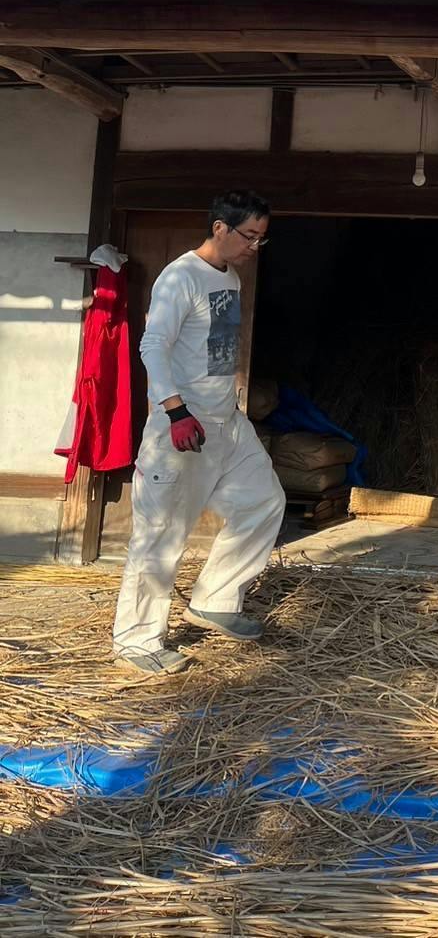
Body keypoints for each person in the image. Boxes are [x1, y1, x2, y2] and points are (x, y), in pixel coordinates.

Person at [112, 191, 286, 675]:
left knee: (264, 502)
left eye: (261, 238)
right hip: (181, 423)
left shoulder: (229, 276)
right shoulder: (180, 277)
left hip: (226, 422)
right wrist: (175, 411)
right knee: (160, 534)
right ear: (219, 228)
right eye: (249, 235)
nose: (254, 246)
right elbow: (152, 346)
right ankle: (136, 640)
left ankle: (215, 600)